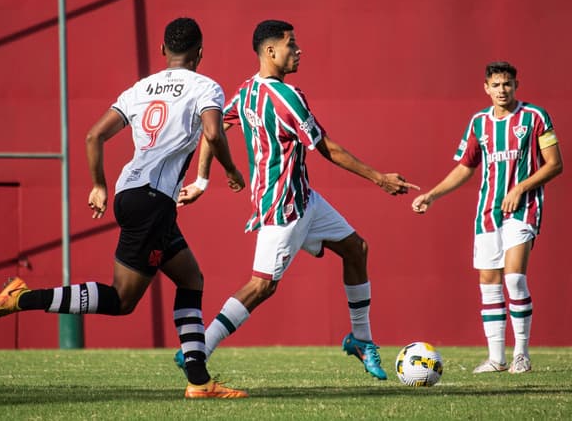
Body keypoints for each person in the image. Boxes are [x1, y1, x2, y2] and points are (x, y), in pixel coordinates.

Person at [0, 17, 248, 399]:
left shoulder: (140, 88)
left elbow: (93, 135)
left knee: (190, 279)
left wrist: (99, 184)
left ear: (162, 51)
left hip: (131, 193)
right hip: (153, 201)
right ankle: (21, 298)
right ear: (200, 53)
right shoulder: (206, 87)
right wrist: (231, 170)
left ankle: (199, 382)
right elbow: (214, 133)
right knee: (122, 300)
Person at [175, 19, 419, 380]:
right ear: (270, 51)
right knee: (262, 286)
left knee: (356, 249)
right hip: (283, 207)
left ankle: (361, 339)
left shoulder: (246, 92)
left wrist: (201, 180)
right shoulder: (286, 97)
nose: (298, 50)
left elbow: (214, 131)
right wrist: (379, 178)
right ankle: (200, 348)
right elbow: (326, 148)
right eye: (291, 45)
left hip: (305, 200)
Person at [411, 61, 563, 374]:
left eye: (507, 84)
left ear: (516, 85)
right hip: (487, 213)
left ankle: (521, 354)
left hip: (523, 208)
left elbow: (554, 164)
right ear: (486, 88)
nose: (502, 90)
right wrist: (432, 195)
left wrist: (520, 187)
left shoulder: (534, 117)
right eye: (496, 85)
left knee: (514, 278)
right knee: (489, 282)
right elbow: (465, 167)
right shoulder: (479, 123)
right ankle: (496, 358)